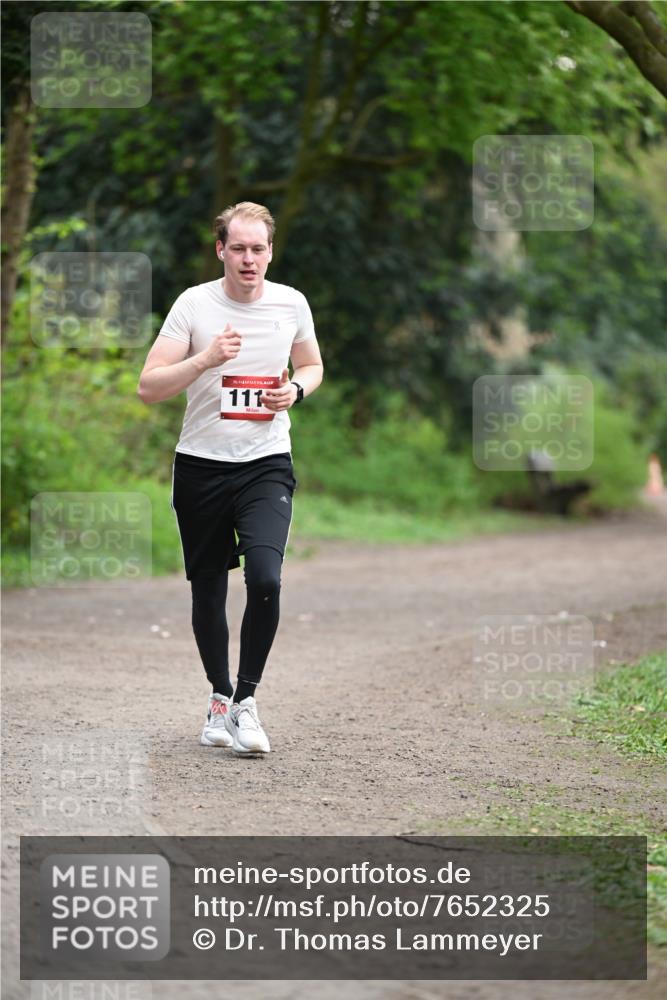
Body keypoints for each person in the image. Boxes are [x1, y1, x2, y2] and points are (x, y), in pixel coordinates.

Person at [137, 202, 323, 756]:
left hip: (266, 462)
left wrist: (297, 391)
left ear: (271, 252)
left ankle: (246, 702)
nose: (248, 259)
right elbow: (149, 386)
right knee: (209, 589)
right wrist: (206, 360)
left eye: (258, 249)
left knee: (265, 578)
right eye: (238, 248)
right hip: (201, 466)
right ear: (221, 250)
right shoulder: (194, 305)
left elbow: (312, 365)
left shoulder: (291, 303)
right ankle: (218, 697)